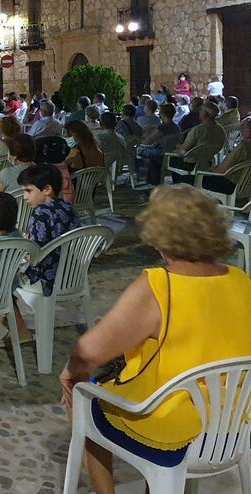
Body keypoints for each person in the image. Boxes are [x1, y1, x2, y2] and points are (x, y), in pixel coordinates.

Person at [59, 185, 251, 494]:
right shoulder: (241, 280)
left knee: (87, 398)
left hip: (172, 432)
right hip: (229, 428)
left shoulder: (159, 286)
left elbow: (90, 351)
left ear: (160, 235)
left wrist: (70, 372)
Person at [1, 164, 82, 345]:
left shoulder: (40, 213)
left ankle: (19, 329)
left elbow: (35, 253)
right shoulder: (67, 207)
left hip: (46, 279)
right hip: (71, 275)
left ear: (47, 189)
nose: (25, 197)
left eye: (28, 191)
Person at [170, 102, 226, 183]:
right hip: (209, 161)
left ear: (205, 114)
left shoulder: (197, 130)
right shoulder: (221, 130)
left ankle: (178, 185)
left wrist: (173, 151)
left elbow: (183, 150)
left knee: (170, 159)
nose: (199, 112)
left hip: (192, 162)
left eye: (201, 111)